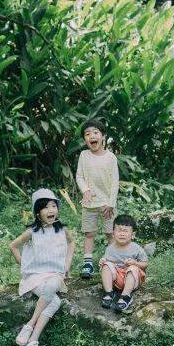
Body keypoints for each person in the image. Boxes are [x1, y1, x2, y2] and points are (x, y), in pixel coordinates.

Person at [9, 188, 74, 346]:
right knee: (55, 302)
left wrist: (67, 264)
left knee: (53, 283)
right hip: (35, 277)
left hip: (55, 275)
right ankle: (33, 341)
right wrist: (24, 265)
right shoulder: (32, 232)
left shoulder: (63, 230)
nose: (51, 210)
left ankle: (30, 326)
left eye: (53, 206)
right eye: (46, 207)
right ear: (38, 213)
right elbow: (13, 246)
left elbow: (72, 243)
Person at [74, 118, 118, 279]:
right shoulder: (84, 156)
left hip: (108, 205)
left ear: (103, 136)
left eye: (95, 132)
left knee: (110, 234)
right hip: (90, 204)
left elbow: (115, 182)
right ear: (85, 139)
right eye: (87, 134)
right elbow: (79, 177)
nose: (91, 136)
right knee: (89, 233)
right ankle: (88, 264)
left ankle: (112, 262)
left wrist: (111, 203)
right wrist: (85, 191)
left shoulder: (111, 158)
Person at [98, 214, 149, 313]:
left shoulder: (137, 248)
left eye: (125, 231)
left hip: (132, 279)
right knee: (106, 265)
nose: (122, 234)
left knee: (133, 268)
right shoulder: (110, 248)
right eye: (119, 230)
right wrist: (103, 260)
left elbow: (145, 264)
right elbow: (107, 260)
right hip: (116, 280)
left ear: (133, 235)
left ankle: (125, 296)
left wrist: (135, 263)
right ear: (113, 233)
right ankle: (108, 293)